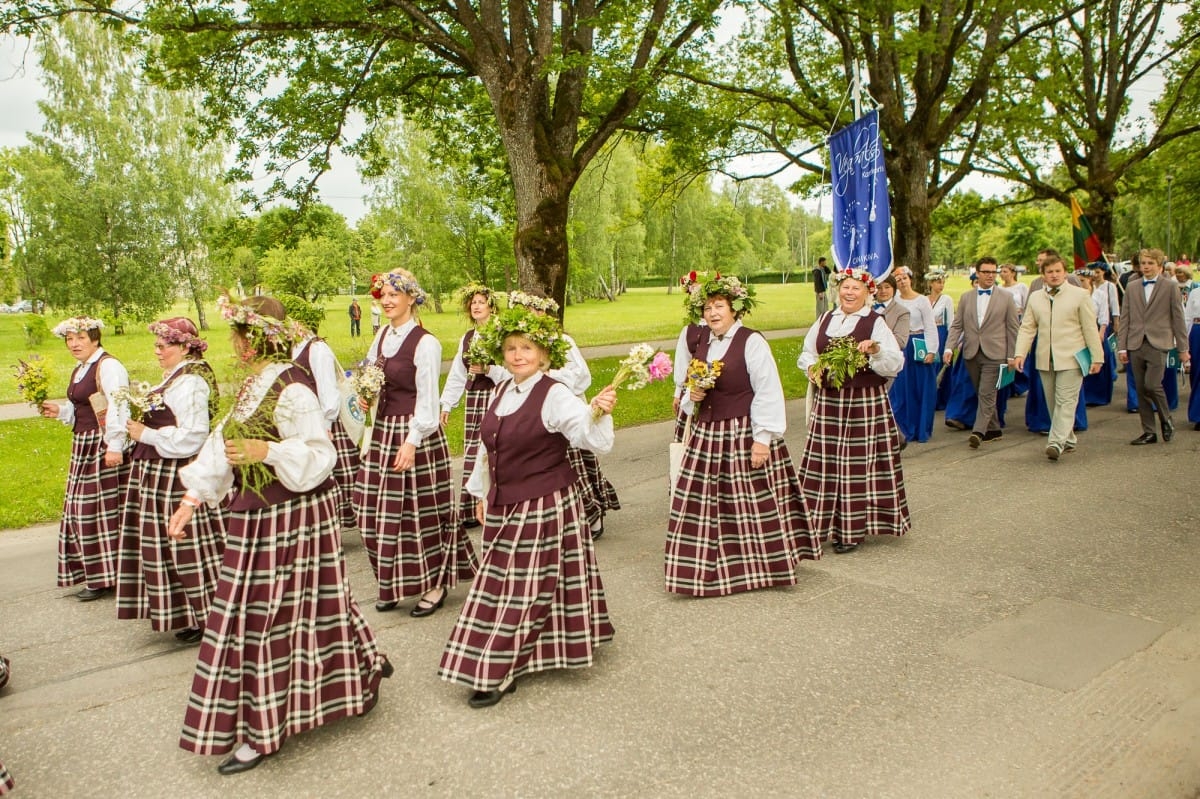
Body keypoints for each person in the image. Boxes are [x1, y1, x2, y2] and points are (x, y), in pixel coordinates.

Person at [168, 295, 391, 776]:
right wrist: (192, 497)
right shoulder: (251, 384)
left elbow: (320, 456)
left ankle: (262, 731)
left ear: (259, 337)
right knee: (300, 606)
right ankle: (364, 664)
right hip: (255, 518)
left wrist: (266, 449)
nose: (234, 343)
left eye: (239, 335)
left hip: (296, 511)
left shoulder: (294, 390)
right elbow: (222, 442)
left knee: (272, 616)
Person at [438, 305, 617, 707]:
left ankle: (496, 671)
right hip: (505, 503)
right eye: (512, 348)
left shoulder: (555, 392)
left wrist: (599, 413)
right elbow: (489, 449)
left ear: (545, 354)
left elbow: (589, 437)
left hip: (545, 504)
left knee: (521, 588)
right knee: (508, 586)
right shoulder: (503, 390)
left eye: (527, 348)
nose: (518, 355)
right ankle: (549, 645)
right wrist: (483, 493)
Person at [667, 273, 821, 591]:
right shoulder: (702, 343)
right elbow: (688, 391)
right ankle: (706, 572)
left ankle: (761, 566)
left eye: (719, 306)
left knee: (751, 503)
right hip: (707, 435)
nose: (713, 313)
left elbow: (767, 390)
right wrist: (690, 398)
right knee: (704, 506)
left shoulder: (751, 341)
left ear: (734, 309)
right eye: (708, 307)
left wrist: (762, 439)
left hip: (742, 433)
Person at [354, 270, 478, 616]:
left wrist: (411, 442)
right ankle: (392, 581)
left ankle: (434, 584)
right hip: (381, 431)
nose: (388, 299)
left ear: (412, 297)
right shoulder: (381, 336)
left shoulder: (426, 343)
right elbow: (370, 374)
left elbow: (428, 401)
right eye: (384, 294)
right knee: (371, 511)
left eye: (395, 293)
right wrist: (366, 396)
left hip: (416, 434)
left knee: (420, 514)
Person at [116, 318, 225, 644]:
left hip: (176, 474)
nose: (157, 351)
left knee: (187, 548)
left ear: (184, 347)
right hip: (160, 472)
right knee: (169, 548)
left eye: (164, 345)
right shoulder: (177, 377)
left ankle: (208, 613)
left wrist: (145, 433)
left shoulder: (191, 382)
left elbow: (193, 436)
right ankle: (189, 611)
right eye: (157, 345)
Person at [798, 268, 909, 553]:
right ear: (838, 289)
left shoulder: (874, 322)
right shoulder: (825, 319)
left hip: (863, 402)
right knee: (824, 464)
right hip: (829, 402)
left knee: (855, 466)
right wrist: (812, 368)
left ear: (867, 293)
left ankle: (850, 530)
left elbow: (895, 362)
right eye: (845, 287)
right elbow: (808, 352)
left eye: (855, 288)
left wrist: (875, 351)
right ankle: (815, 524)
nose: (849, 292)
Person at [509, 290, 621, 539]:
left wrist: (549, 377)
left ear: (543, 312)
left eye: (533, 309)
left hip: (566, 411)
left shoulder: (561, 341)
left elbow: (582, 377)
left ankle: (591, 517)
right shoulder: (520, 345)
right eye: (523, 309)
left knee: (575, 467)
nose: (529, 314)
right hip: (537, 415)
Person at [42, 316, 131, 602]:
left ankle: (107, 575)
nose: (74, 344)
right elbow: (82, 405)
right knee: (81, 510)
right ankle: (100, 574)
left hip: (101, 443)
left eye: (80, 337)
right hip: (83, 443)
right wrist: (61, 411)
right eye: (69, 339)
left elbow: (119, 405)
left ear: (95, 338)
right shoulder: (82, 368)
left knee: (93, 511)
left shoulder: (108, 366)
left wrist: (114, 445)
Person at [1013, 255, 1104, 460]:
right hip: (1045, 358)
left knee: (1066, 400)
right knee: (1053, 403)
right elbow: (1027, 327)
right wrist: (1020, 353)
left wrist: (1097, 357)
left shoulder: (1080, 295)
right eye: (1049, 272)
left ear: (1065, 273)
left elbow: (1090, 328)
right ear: (1043, 276)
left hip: (1072, 357)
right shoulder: (1036, 297)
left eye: (1057, 271)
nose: (1054, 275)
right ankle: (1068, 438)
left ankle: (1055, 443)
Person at [439, 283, 510, 528]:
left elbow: (511, 369)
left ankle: (498, 504)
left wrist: (489, 369)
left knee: (496, 447)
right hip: (475, 399)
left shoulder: (501, 333)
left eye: (481, 302)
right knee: (472, 449)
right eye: (474, 303)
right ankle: (471, 509)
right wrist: (447, 403)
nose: (476, 306)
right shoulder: (468, 338)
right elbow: (458, 374)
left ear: (491, 306)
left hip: (497, 395)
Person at [291, 322, 361, 535]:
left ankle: (360, 518)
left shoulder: (317, 349)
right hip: (305, 421)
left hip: (325, 422)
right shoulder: (292, 348)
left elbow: (328, 391)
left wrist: (325, 425)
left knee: (340, 476)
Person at [943, 257, 1019, 449]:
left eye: (994, 272)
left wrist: (1012, 355)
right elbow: (957, 325)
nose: (990, 276)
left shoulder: (1006, 298)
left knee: (986, 392)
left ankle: (978, 432)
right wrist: (949, 347)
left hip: (996, 353)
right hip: (971, 353)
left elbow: (1013, 329)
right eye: (986, 272)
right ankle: (993, 429)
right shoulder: (967, 297)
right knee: (981, 392)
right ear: (977, 273)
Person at [1118, 248, 1191, 445]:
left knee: (1152, 384)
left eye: (1150, 263)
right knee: (1141, 389)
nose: (1146, 267)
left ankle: (1166, 418)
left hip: (1159, 342)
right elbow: (1125, 318)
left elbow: (1178, 319)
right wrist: (1122, 347)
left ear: (1159, 265)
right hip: (1135, 343)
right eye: (1143, 264)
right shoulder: (1132, 287)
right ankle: (1149, 431)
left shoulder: (1170, 287)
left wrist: (1183, 349)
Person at [890, 266, 939, 442]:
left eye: (904, 278)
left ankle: (921, 427)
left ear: (910, 279)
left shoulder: (922, 301)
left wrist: (932, 350)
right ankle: (903, 427)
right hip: (901, 345)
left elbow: (930, 325)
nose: (902, 282)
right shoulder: (893, 301)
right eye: (898, 280)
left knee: (921, 388)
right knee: (902, 388)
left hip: (918, 344)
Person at [928, 269, 955, 411]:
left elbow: (951, 322)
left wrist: (951, 341)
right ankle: (930, 397)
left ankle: (941, 397)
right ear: (931, 283)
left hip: (941, 333)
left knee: (940, 366)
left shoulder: (946, 300)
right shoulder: (924, 299)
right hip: (929, 333)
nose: (941, 285)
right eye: (939, 282)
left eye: (943, 282)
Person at [1187, 283, 1200, 431]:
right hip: (1197, 332)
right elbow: (1187, 318)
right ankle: (1198, 414)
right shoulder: (1195, 293)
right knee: (1197, 373)